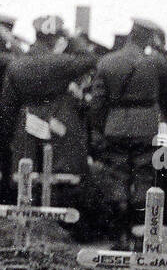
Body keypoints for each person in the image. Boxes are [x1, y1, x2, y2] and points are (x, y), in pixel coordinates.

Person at [86, 18, 167, 233]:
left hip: (115, 125)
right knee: (145, 177)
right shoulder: (156, 63)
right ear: (149, 38)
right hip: (147, 126)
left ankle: (119, 232)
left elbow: (97, 104)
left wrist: (102, 128)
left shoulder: (107, 62)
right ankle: (141, 232)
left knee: (117, 177)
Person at [0, 15, 97, 205]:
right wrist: (72, 38)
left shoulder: (17, 64)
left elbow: (7, 108)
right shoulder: (62, 63)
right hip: (59, 124)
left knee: (27, 181)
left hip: (25, 124)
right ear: (56, 38)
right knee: (61, 182)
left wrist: (7, 139)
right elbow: (89, 58)